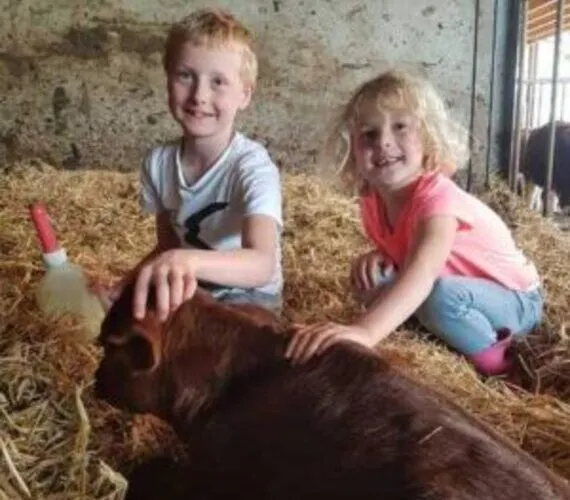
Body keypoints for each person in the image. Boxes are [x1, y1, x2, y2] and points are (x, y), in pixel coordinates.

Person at [285, 70, 544, 376]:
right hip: (459, 288)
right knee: (372, 280)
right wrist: (381, 256)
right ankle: (441, 329)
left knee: (441, 297)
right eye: (369, 134)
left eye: (400, 127)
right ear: (352, 150)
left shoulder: (438, 198)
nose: (384, 142)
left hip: (515, 300)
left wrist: (364, 333)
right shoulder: (372, 202)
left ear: (427, 138)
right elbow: (410, 252)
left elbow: (423, 272)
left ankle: (499, 363)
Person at [97, 8, 283, 320]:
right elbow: (167, 247)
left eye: (218, 82)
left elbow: (261, 264)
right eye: (185, 76)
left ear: (244, 95)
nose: (199, 95)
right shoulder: (158, 164)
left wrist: (186, 261)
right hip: (188, 286)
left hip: (249, 294)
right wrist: (122, 287)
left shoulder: (252, 168)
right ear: (168, 80)